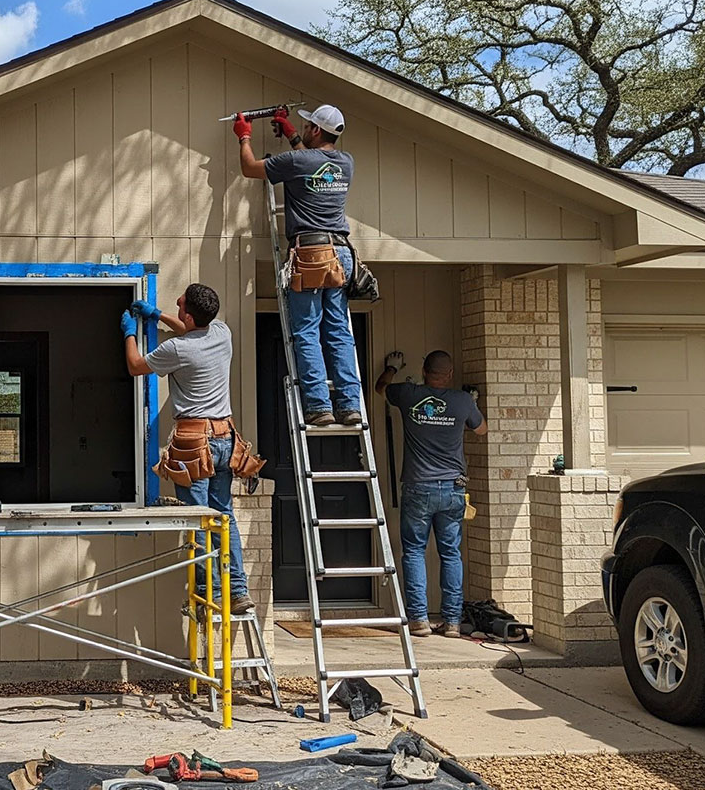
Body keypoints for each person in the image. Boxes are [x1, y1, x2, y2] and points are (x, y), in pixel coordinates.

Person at [122, 284, 255, 615]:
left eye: (180, 303)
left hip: (195, 445)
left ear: (189, 314)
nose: (176, 302)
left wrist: (129, 334)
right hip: (226, 440)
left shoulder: (178, 350)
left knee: (199, 520)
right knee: (223, 517)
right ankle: (237, 591)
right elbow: (191, 328)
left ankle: (206, 595)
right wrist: (157, 316)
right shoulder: (222, 333)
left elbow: (136, 366)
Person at [234, 104, 363, 427]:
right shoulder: (345, 163)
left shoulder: (296, 162)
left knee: (306, 331)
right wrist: (290, 131)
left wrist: (244, 136)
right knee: (337, 332)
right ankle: (350, 405)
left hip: (310, 254)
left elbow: (250, 168)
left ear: (316, 130)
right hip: (340, 253)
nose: (304, 130)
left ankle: (319, 406)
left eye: (308, 127)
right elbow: (312, 161)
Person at [375, 350, 486, 638]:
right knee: (450, 553)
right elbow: (482, 430)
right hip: (452, 488)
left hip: (418, 487)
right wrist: (471, 404)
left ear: (424, 370)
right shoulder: (462, 401)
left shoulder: (409, 394)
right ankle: (451, 622)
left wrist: (392, 367)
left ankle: (420, 621)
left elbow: (381, 388)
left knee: (413, 551)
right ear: (449, 375)